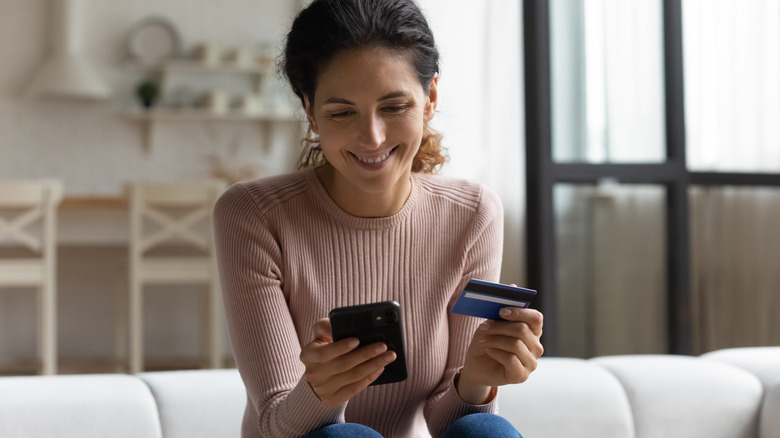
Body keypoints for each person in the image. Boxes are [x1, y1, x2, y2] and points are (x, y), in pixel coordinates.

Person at [212, 0, 544, 436]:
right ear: (311, 112)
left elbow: (454, 424)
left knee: (486, 430)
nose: (372, 137)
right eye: (341, 112)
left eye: (393, 107)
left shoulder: (473, 213)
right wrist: (320, 392)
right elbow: (276, 422)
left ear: (431, 99)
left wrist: (477, 378)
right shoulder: (254, 215)